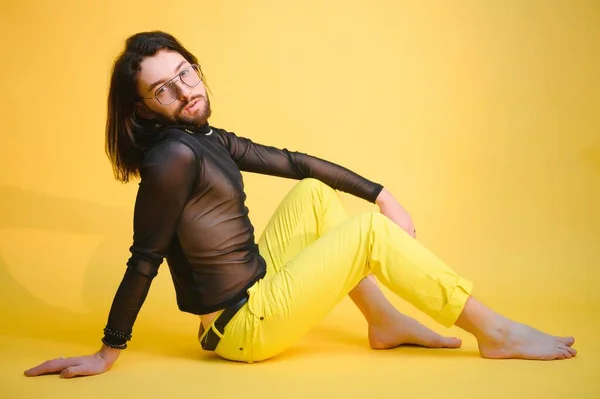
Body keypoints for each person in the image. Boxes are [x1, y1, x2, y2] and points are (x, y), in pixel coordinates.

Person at [24, 31, 576, 379]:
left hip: (256, 290)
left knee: (312, 194)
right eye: (162, 90)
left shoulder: (208, 139)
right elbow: (144, 256)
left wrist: (382, 193)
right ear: (145, 110)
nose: (185, 90)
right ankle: (495, 333)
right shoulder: (171, 158)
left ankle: (382, 322)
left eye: (184, 72)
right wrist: (107, 351)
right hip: (243, 326)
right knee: (370, 236)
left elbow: (295, 163)